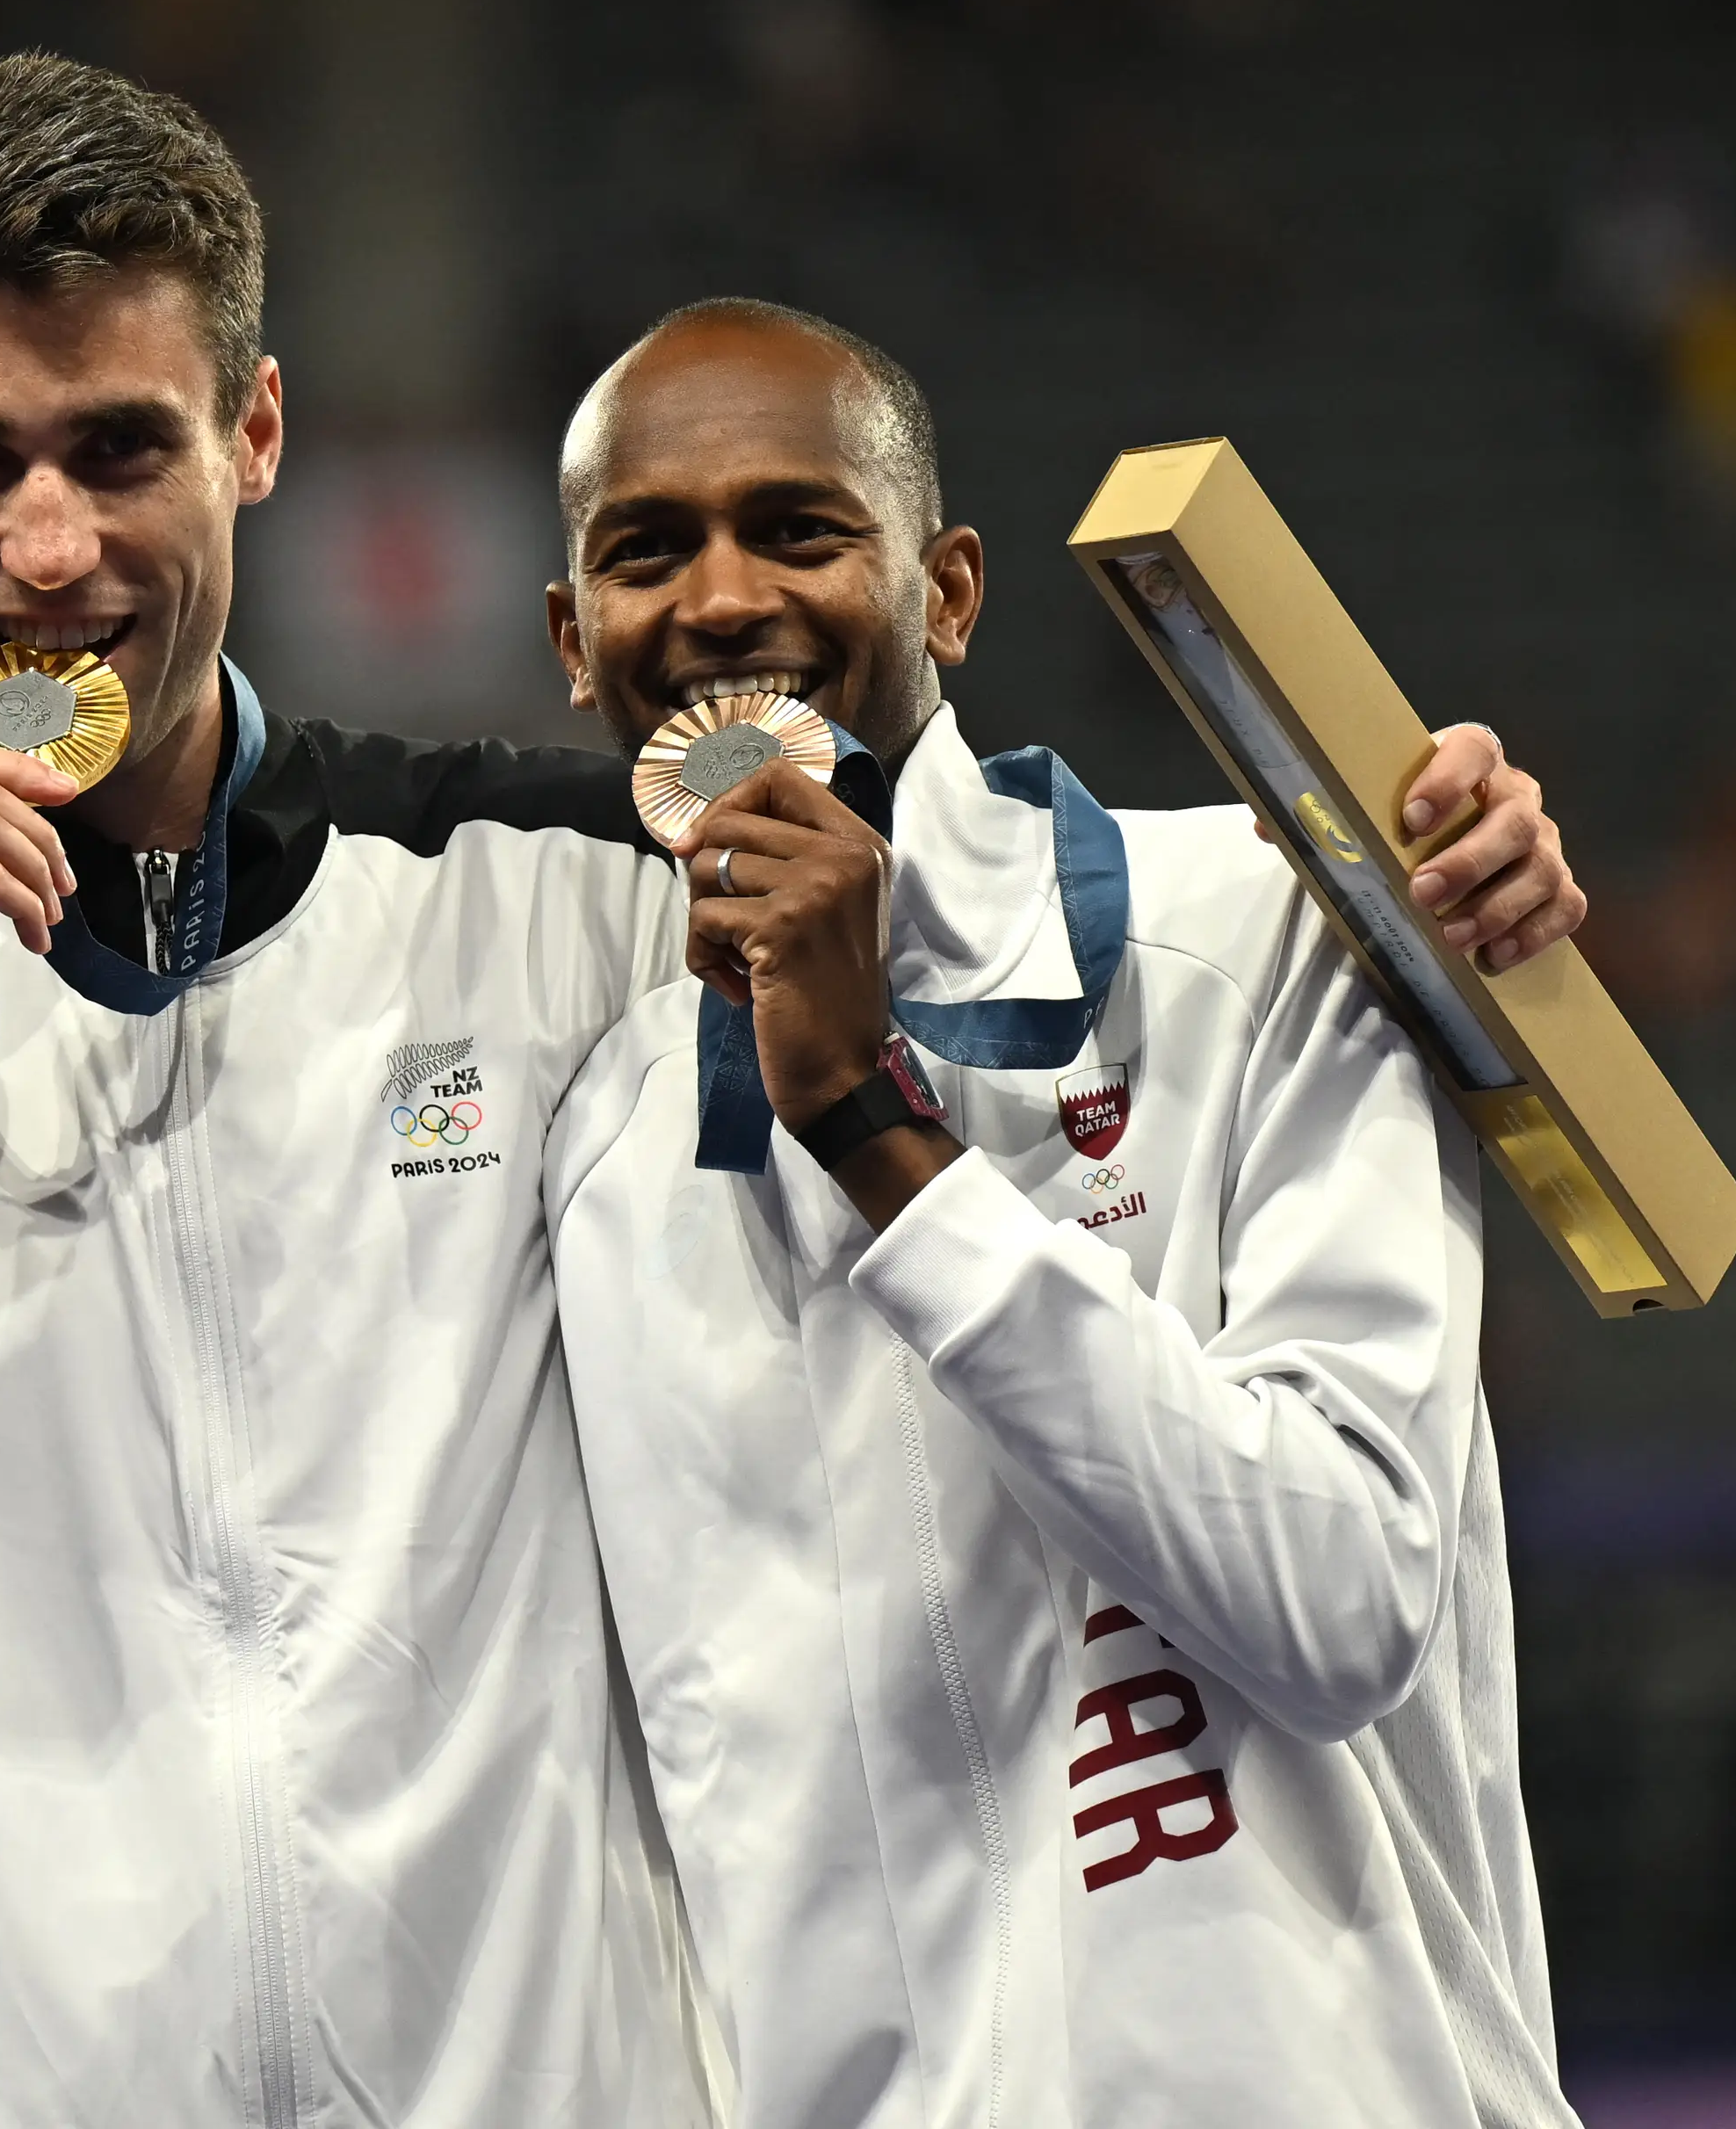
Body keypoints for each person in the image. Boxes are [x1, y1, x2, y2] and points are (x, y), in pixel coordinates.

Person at [0, 57, 1580, 2125]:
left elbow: (930, 889)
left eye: (121, 446)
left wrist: (1419, 857)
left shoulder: (557, 884)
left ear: (254, 434)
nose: (46, 548)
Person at [541, 299, 1581, 2126]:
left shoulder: (1268, 931)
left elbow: (1335, 1596)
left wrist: (879, 1131)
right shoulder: (602, 1142)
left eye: (797, 528)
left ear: (946, 590)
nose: (716, 600)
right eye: (647, 550)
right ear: (573, 643)